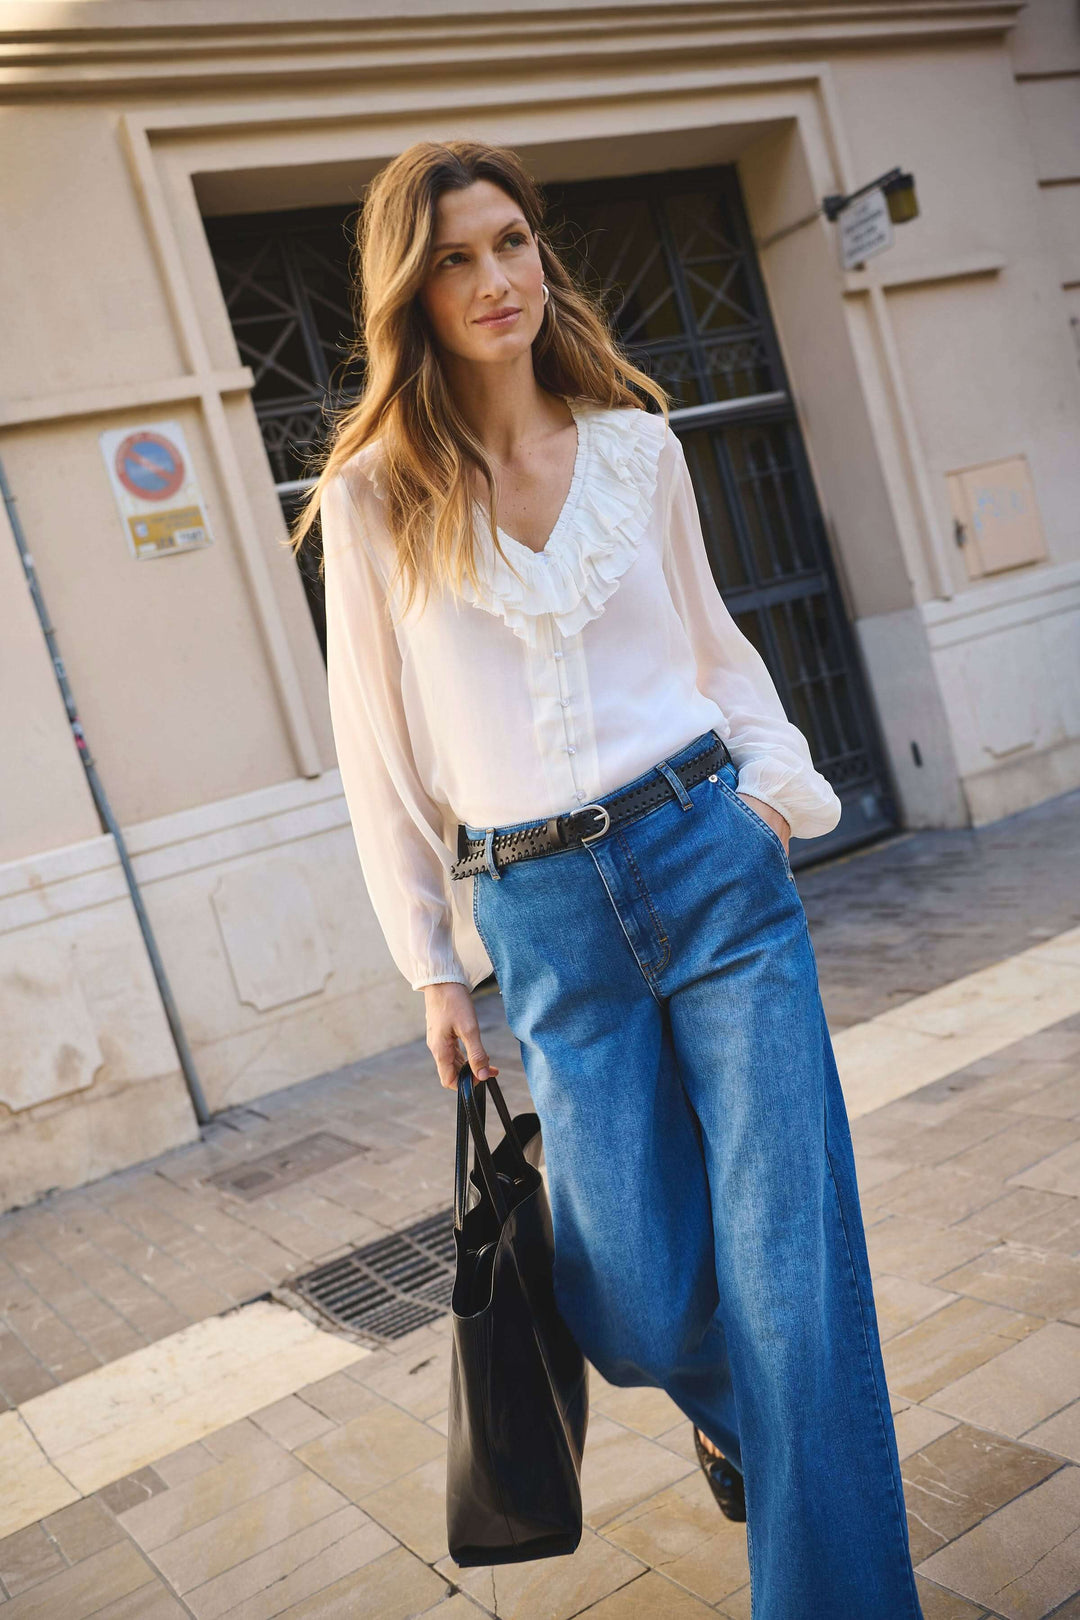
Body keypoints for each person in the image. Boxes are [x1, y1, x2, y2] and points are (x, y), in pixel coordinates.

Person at [293, 138, 923, 1620]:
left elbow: (719, 656)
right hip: (543, 918)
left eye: (510, 242)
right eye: (454, 257)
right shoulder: (377, 497)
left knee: (793, 1277)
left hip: (712, 868)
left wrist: (773, 801)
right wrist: (432, 962)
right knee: (625, 1294)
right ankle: (747, 1418)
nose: (496, 278)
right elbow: (375, 758)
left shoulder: (636, 447)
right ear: (412, 290)